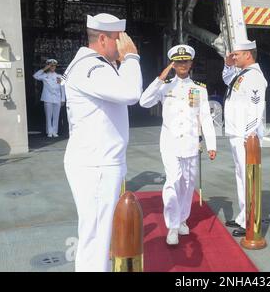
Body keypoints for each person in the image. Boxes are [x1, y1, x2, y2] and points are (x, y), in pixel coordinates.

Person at [63, 13, 143, 271]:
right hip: (96, 165)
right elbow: (131, 93)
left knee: (99, 238)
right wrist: (131, 56)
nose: (122, 45)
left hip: (100, 162)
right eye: (119, 40)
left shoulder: (98, 66)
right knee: (96, 244)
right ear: (103, 38)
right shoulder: (91, 66)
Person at [139, 44, 217, 245]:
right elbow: (144, 102)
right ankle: (172, 225)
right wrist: (159, 78)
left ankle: (182, 218)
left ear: (191, 63)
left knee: (188, 184)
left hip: (191, 142)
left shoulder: (199, 89)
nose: (182, 65)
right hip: (170, 142)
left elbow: (206, 117)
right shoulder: (164, 86)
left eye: (185, 61)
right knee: (173, 182)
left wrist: (211, 144)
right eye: (178, 62)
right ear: (173, 64)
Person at [222, 40, 267, 237]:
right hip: (236, 133)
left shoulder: (255, 77)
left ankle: (250, 218)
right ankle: (243, 216)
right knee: (241, 176)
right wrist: (227, 64)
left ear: (248, 54)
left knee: (248, 178)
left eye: (237, 55)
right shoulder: (242, 75)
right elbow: (226, 80)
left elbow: (256, 109)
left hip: (245, 136)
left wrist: (249, 136)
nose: (234, 57)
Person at [33, 59, 65, 137]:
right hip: (48, 98)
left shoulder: (59, 76)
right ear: (48, 66)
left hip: (57, 98)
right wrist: (44, 69)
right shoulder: (44, 75)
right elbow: (35, 76)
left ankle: (55, 131)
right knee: (48, 116)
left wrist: (63, 99)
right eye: (50, 66)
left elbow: (62, 88)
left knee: (56, 116)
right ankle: (49, 132)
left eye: (53, 66)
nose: (52, 67)